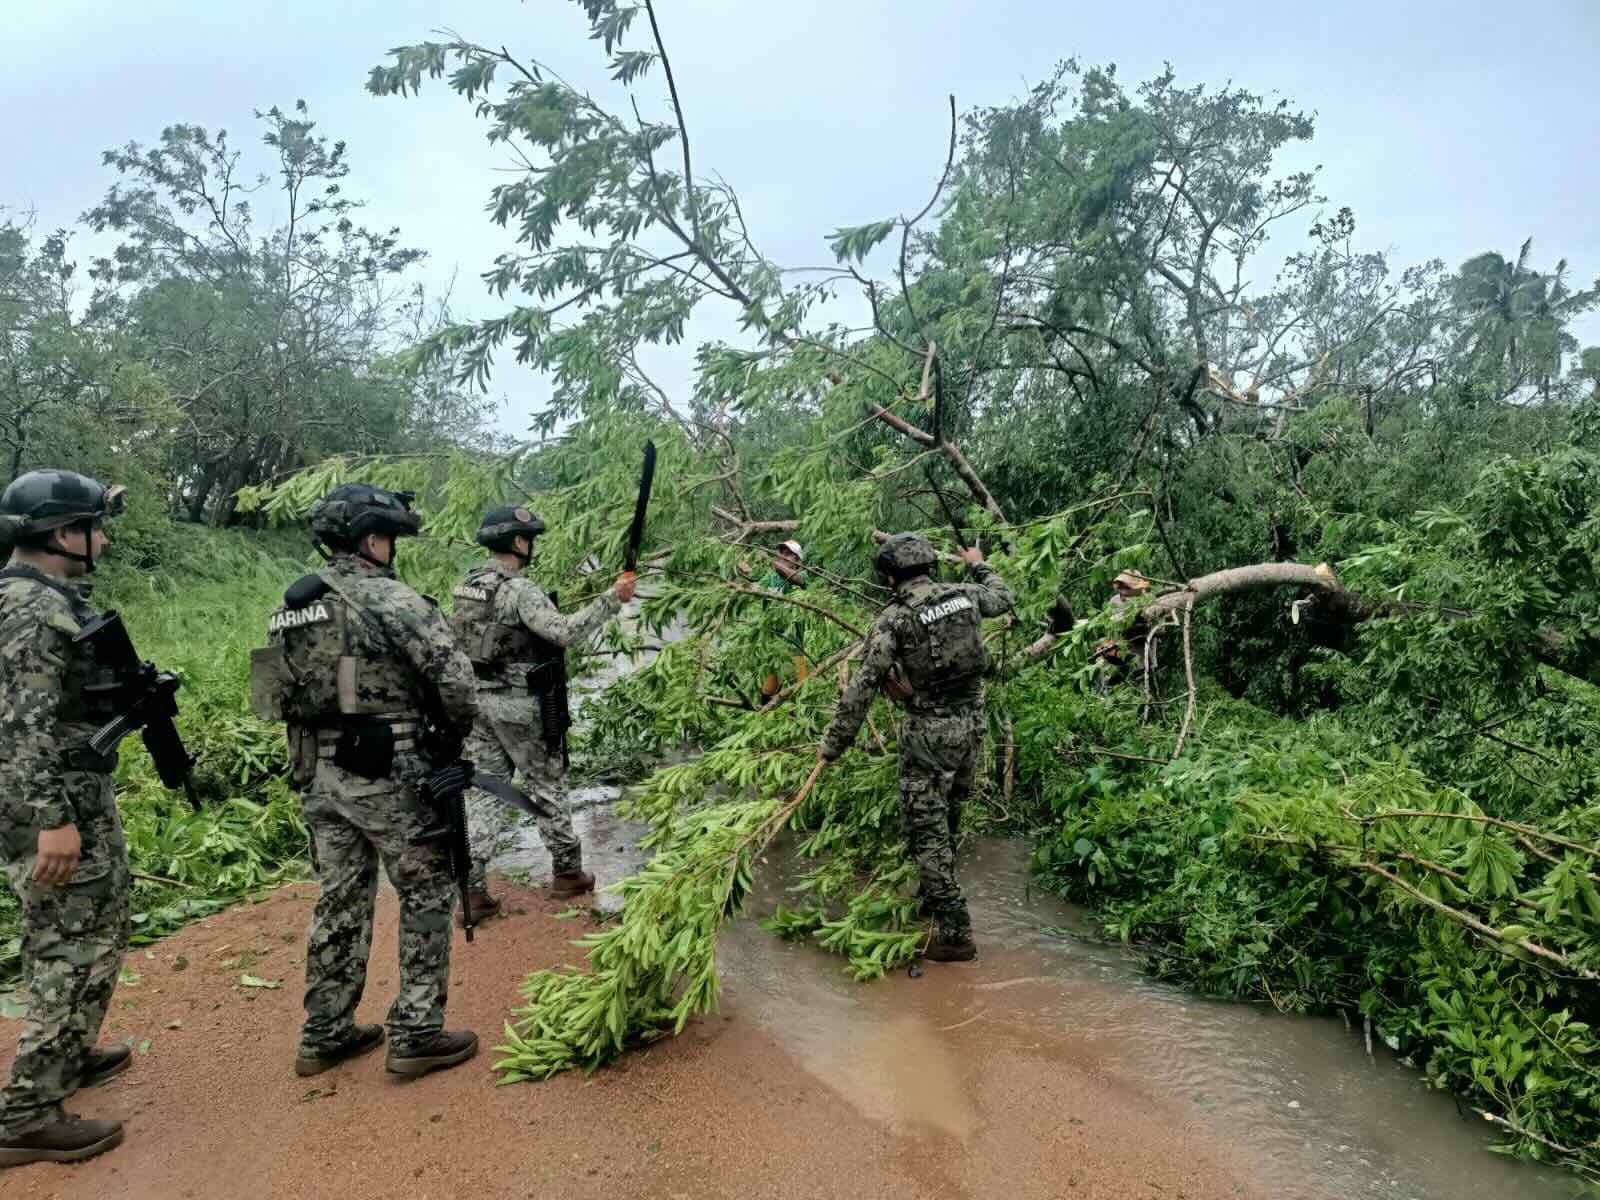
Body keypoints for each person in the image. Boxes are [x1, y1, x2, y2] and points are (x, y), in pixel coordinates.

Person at [252, 483, 480, 1080]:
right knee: (427, 890)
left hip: (319, 773)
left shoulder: (296, 601)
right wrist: (452, 737)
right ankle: (416, 1032)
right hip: (390, 773)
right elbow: (456, 682)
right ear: (372, 540)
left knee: (340, 897)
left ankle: (324, 1032)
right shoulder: (394, 599)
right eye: (388, 537)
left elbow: (275, 693)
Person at [0, 470, 133, 1166]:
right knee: (67, 942)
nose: (103, 539)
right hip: (49, 804)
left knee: (98, 922)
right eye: (94, 526)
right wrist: (52, 819)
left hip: (71, 794)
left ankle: (67, 1053)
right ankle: (26, 1114)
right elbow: (18, 729)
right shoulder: (29, 610)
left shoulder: (40, 601)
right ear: (61, 533)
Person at [816, 532, 1015, 962]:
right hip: (973, 728)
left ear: (890, 577)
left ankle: (955, 933)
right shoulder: (964, 593)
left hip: (929, 735)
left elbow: (863, 688)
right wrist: (979, 563)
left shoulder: (894, 619)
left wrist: (833, 745)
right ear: (929, 565)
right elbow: (1002, 596)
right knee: (951, 819)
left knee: (927, 833)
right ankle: (930, 903)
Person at [447, 506, 635, 922]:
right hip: (518, 706)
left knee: (486, 791)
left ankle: (473, 891)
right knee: (546, 781)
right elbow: (564, 633)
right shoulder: (520, 590)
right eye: (528, 538)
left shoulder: (467, 586)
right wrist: (611, 599)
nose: (530, 545)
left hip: (478, 706)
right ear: (518, 542)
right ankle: (567, 872)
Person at [758, 540, 808, 701]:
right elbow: (753, 583)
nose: (783, 557)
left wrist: (772, 562)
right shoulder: (770, 578)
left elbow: (798, 580)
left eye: (788, 554)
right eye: (781, 554)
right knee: (768, 691)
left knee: (801, 690)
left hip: (793, 644)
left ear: (798, 561)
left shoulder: (803, 575)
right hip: (774, 646)